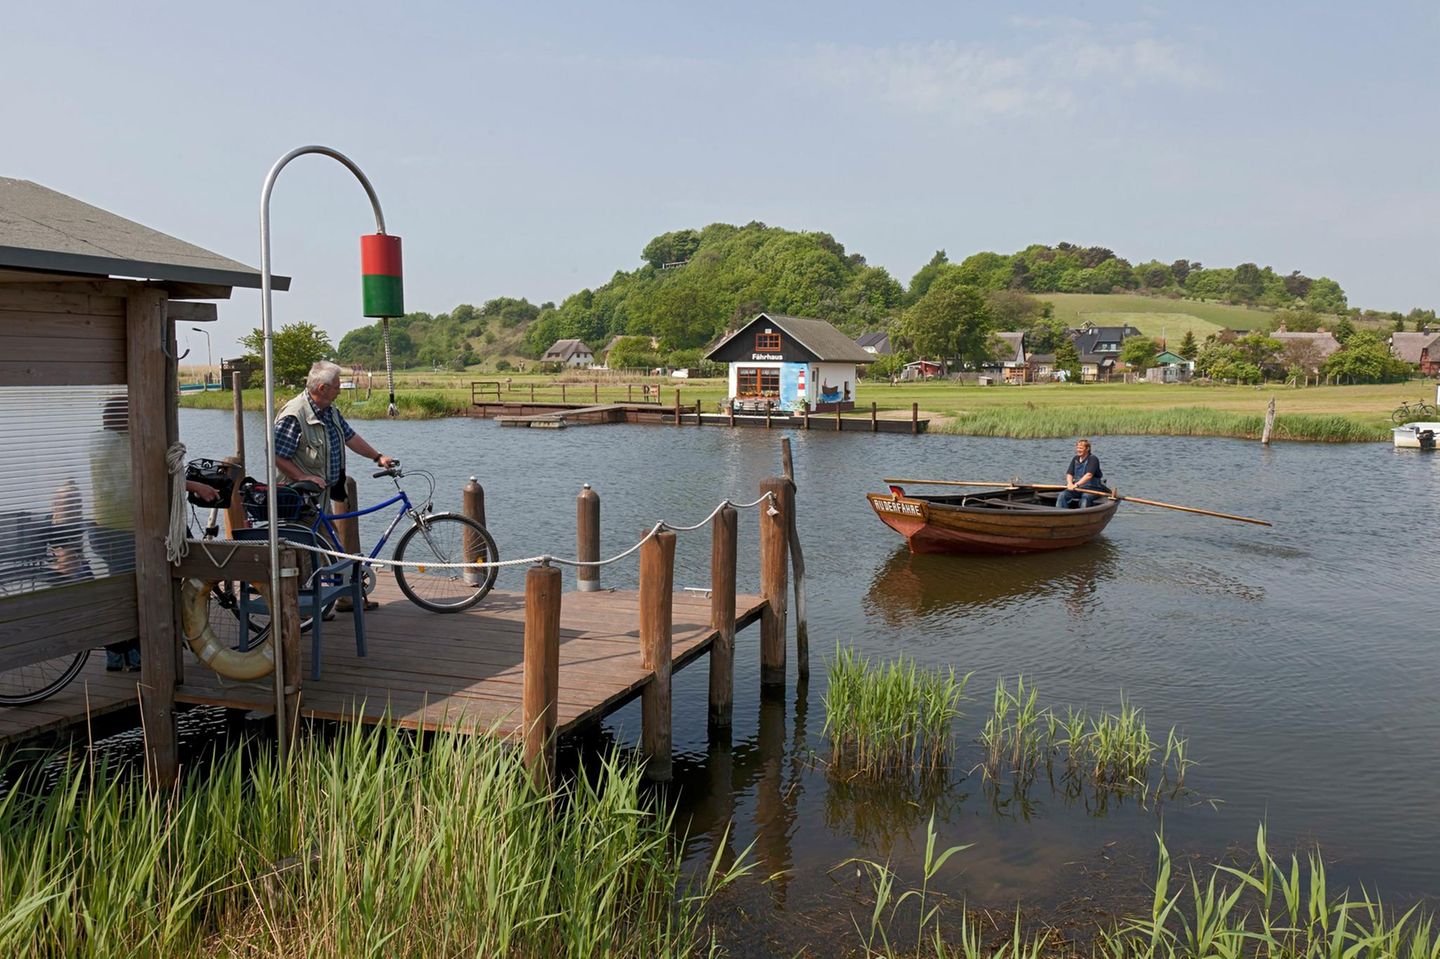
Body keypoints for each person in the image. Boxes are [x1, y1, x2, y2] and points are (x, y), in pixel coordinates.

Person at [274, 361, 397, 509]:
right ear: (322, 388)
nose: (339, 391)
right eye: (336, 387)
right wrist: (302, 477)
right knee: (326, 533)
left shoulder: (329, 409)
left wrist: (378, 457)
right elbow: (276, 456)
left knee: (332, 533)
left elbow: (350, 436)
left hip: (320, 500)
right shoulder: (294, 416)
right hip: (299, 503)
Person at [1056, 438, 1107, 509]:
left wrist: (1076, 485)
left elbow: (1089, 475)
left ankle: (1083, 516)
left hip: (1092, 489)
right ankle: (1061, 514)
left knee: (1085, 498)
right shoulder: (1075, 459)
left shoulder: (1093, 459)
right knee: (1062, 495)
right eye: (1077, 448)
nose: (1078, 450)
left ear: (1087, 449)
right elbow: (1069, 474)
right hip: (1078, 488)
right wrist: (1070, 483)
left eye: (1081, 448)